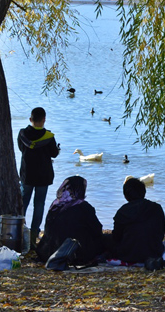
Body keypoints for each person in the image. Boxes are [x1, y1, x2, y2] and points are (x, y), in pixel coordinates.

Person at [35, 176, 104, 266]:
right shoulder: (83, 206)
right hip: (74, 252)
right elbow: (97, 229)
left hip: (48, 251)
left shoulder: (55, 205)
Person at [17, 106, 60, 247]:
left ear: (30, 119)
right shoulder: (49, 137)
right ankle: (34, 233)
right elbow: (54, 153)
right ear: (44, 120)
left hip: (27, 174)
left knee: (24, 201)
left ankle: (19, 229)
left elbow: (21, 148)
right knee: (39, 204)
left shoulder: (22, 134)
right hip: (43, 176)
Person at [108, 177, 165, 264]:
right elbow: (161, 233)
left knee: (105, 239)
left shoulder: (122, 211)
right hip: (154, 252)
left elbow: (116, 237)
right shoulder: (156, 208)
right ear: (144, 192)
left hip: (128, 255)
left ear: (125, 195)